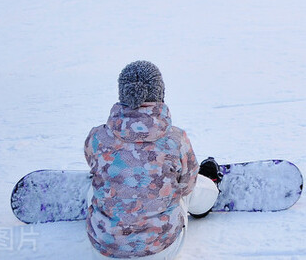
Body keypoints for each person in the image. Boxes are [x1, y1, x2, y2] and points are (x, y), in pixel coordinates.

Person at [85, 61, 221, 259]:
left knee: (96, 184)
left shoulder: (97, 137)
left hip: (104, 251)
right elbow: (187, 185)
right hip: (161, 250)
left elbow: (92, 162)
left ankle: (104, 208)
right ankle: (208, 197)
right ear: (160, 93)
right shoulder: (175, 140)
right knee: (188, 187)